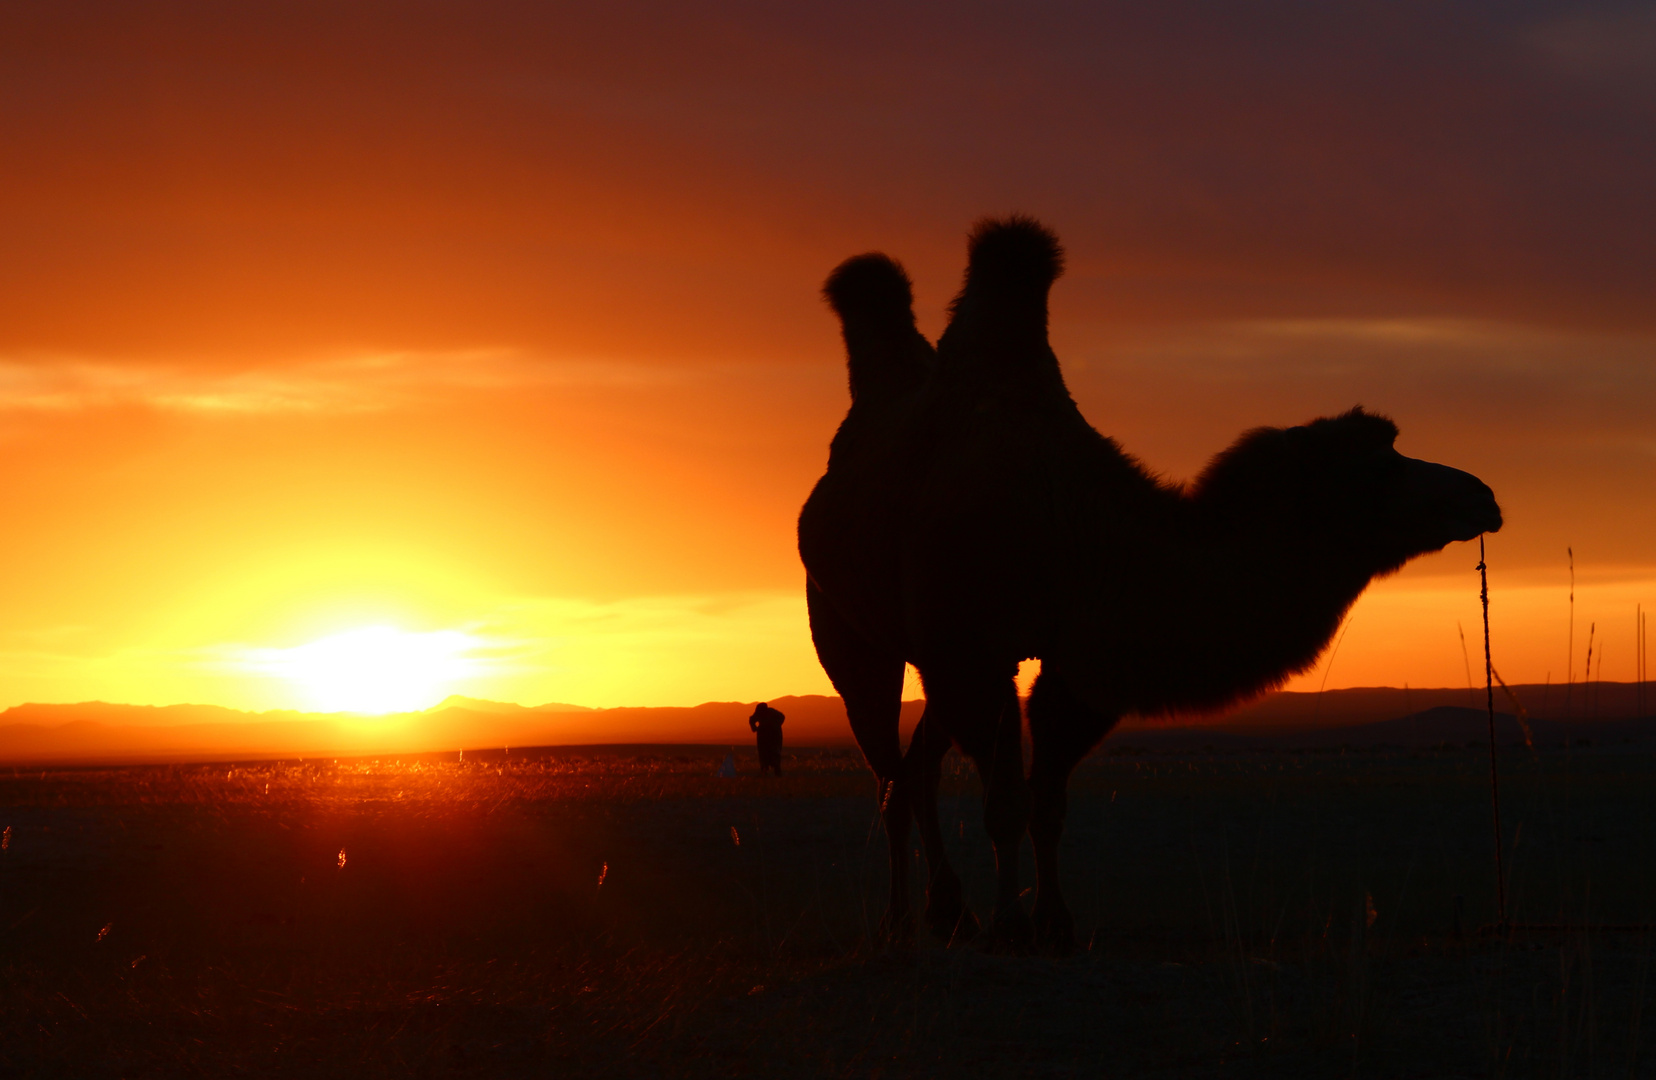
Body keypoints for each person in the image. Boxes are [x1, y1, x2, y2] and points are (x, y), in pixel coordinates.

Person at [749, 701, 785, 776]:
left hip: (770, 736)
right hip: (769, 735)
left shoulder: (764, 712)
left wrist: (755, 728)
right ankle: (769, 771)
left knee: (770, 753)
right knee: (768, 753)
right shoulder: (768, 712)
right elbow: (782, 716)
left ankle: (770, 771)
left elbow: (752, 720)